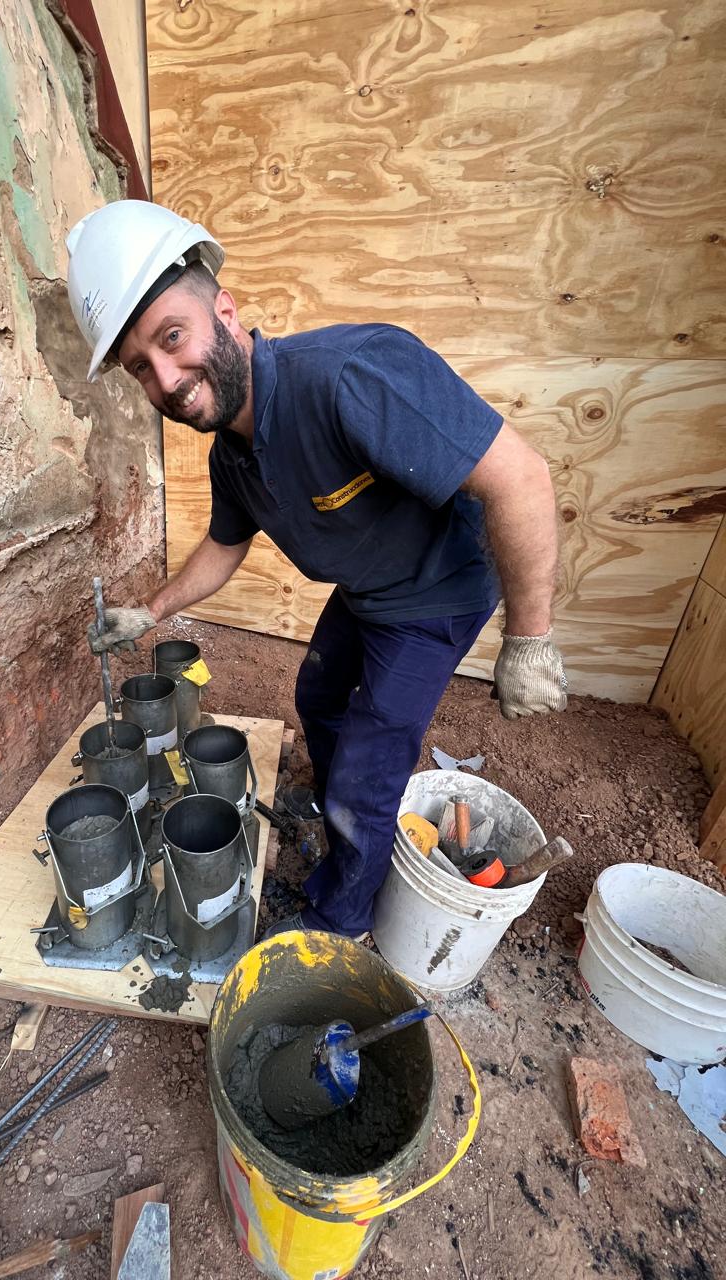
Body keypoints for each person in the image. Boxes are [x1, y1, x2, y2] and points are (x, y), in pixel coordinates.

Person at [65, 201, 567, 940]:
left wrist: (529, 639)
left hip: (435, 591)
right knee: (319, 693)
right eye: (142, 367)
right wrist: (153, 609)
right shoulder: (233, 454)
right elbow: (225, 545)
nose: (167, 379)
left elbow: (520, 478)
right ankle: (342, 808)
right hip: (370, 585)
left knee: (370, 765)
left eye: (173, 337)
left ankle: (341, 919)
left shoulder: (350, 376)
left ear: (225, 313)